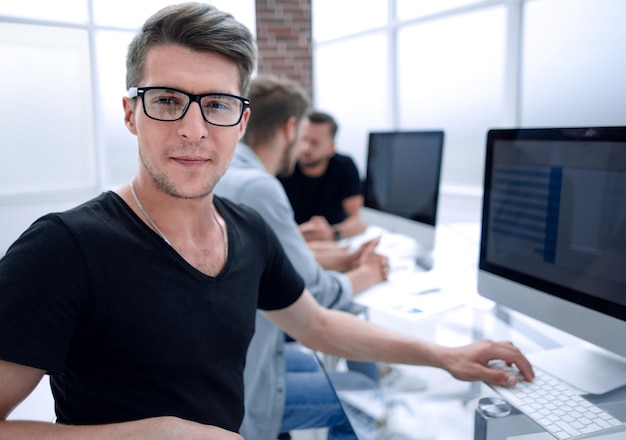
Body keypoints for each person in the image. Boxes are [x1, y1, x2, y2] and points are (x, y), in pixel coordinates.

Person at [0, 3, 534, 440]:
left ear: (242, 122)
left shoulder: (248, 230)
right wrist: (157, 433)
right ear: (130, 113)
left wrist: (444, 356)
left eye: (216, 104)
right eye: (166, 101)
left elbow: (317, 325)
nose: (193, 129)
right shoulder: (64, 248)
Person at [214, 74, 387, 439]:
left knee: (316, 366)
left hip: (230, 355)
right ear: (290, 127)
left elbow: (270, 260)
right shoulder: (259, 187)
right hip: (240, 386)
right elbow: (315, 294)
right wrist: (369, 273)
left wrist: (333, 254)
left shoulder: (227, 172)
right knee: (364, 391)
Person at [279, 111, 367, 243]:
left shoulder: (345, 166)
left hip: (331, 242)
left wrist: (332, 233)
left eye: (315, 143)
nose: (305, 148)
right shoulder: (283, 165)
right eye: (303, 138)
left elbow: (358, 221)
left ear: (331, 147)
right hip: (291, 240)